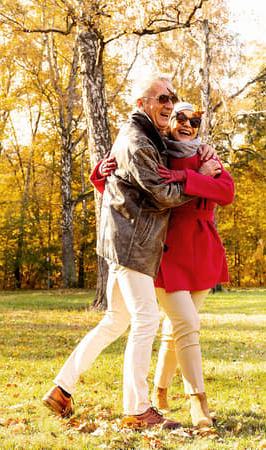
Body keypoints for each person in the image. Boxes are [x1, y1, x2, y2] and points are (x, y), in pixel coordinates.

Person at [42, 74, 219, 430]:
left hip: (123, 241)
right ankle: (138, 409)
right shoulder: (139, 140)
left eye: (173, 98)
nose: (169, 104)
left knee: (115, 321)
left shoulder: (148, 137)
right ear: (141, 104)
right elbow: (162, 194)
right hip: (133, 243)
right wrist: (198, 174)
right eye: (161, 99)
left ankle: (62, 388)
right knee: (146, 321)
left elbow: (121, 181)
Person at [91, 102, 234, 428]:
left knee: (177, 328)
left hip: (202, 250)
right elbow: (126, 193)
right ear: (168, 121)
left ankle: (159, 392)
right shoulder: (155, 154)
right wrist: (100, 175)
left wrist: (188, 175)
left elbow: (226, 192)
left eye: (194, 121)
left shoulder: (205, 156)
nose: (186, 125)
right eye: (179, 118)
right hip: (164, 251)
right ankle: (197, 401)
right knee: (186, 323)